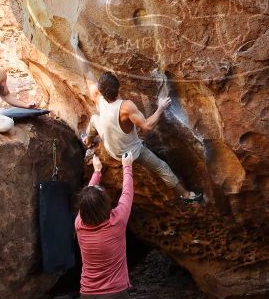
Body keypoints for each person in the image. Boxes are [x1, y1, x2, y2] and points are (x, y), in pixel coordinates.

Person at [85, 71, 201, 203]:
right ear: (118, 88)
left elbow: (88, 75)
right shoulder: (125, 107)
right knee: (162, 167)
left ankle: (87, 141)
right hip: (130, 153)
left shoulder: (98, 97)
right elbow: (147, 126)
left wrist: (76, 50)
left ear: (101, 90)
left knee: (94, 119)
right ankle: (186, 196)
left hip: (110, 148)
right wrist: (160, 108)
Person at [76, 153, 143, 299]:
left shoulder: (79, 225)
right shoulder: (116, 222)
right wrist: (127, 166)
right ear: (106, 206)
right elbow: (127, 193)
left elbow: (86, 203)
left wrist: (96, 172)